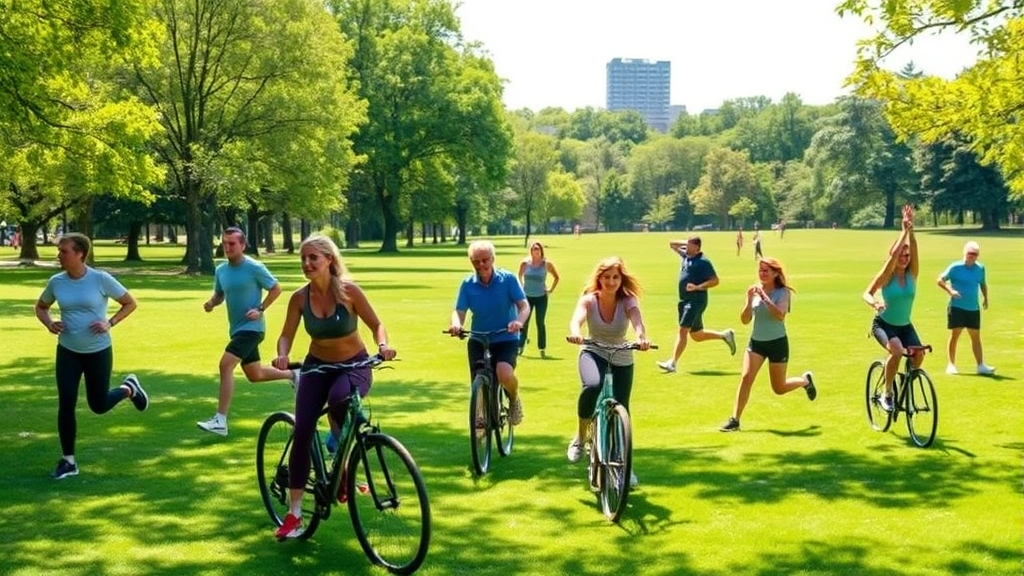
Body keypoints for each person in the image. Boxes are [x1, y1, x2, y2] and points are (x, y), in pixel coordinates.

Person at [270, 234, 396, 540]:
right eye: (303, 258)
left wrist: (383, 345)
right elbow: (286, 334)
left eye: (313, 257)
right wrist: (283, 354)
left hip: (355, 364)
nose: (307, 264)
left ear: (329, 259)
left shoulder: (349, 291)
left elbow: (376, 323)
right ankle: (295, 513)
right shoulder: (300, 298)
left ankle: (337, 452)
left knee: (341, 400)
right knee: (302, 432)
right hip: (317, 367)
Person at [34, 233, 149, 479]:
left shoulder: (100, 279)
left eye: (64, 251)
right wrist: (49, 323)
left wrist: (110, 322)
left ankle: (129, 389)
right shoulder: (57, 282)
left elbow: (129, 303)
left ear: (80, 254)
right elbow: (41, 307)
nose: (59, 256)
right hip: (67, 351)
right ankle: (68, 461)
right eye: (59, 251)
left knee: (98, 405)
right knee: (66, 403)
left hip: (98, 351)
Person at [198, 227, 295, 436]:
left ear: (242, 245)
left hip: (252, 329)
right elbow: (219, 294)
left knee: (225, 365)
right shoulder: (221, 270)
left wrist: (260, 309)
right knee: (255, 374)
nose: (227, 247)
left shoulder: (254, 267)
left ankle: (220, 420)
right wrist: (211, 303)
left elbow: (276, 288)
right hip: (236, 330)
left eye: (232, 244)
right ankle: (294, 375)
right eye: (224, 243)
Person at [566, 256, 650, 487]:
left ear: (621, 279)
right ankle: (581, 437)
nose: (611, 282)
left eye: (616, 277)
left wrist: (641, 337)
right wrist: (575, 332)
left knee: (623, 410)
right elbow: (577, 320)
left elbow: (637, 321)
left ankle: (625, 467)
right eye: (607, 277)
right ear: (599, 279)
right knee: (592, 386)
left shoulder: (628, 300)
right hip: (594, 351)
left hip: (622, 353)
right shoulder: (589, 300)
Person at [719, 257, 816, 432]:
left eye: (766, 271)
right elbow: (745, 320)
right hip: (756, 343)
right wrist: (749, 300)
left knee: (779, 388)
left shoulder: (783, 292)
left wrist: (764, 297)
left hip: (777, 342)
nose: (762, 274)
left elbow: (779, 315)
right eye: (760, 270)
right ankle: (735, 420)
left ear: (775, 273)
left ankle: (804, 381)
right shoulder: (754, 291)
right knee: (746, 377)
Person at [448, 240, 530, 426]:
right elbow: (459, 311)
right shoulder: (468, 284)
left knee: (504, 373)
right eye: (476, 261)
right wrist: (456, 324)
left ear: (493, 259)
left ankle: (514, 398)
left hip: (505, 336)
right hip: (478, 337)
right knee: (479, 377)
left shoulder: (508, 279)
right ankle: (480, 415)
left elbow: (524, 306)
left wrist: (518, 321)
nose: (481, 265)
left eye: (485, 260)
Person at [862, 205, 923, 411]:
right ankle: (886, 394)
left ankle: (903, 384)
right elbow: (867, 293)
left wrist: (910, 230)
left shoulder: (912, 274)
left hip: (905, 325)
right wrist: (875, 303)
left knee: (919, 355)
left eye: (907, 256)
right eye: (901, 255)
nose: (905, 258)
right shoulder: (887, 275)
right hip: (884, 324)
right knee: (896, 350)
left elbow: (913, 249)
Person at [656, 236, 736, 373]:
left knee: (683, 331)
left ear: (697, 247)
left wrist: (698, 287)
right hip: (684, 301)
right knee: (697, 335)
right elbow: (672, 244)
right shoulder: (686, 256)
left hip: (695, 301)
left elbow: (715, 280)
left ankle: (672, 363)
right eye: (686, 245)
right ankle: (724, 335)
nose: (686, 247)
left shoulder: (703, 262)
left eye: (690, 245)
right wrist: (686, 244)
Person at [937, 240, 995, 375]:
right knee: (955, 335)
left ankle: (980, 365)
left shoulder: (980, 268)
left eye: (975, 254)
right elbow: (940, 280)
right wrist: (950, 291)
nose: (972, 256)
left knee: (975, 336)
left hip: (973, 308)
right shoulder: (955, 267)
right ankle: (951, 364)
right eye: (970, 254)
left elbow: (982, 284)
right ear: (964, 253)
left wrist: (985, 298)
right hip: (957, 307)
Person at [517, 241, 560, 358]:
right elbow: (519, 275)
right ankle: (520, 346)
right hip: (527, 297)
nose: (535, 251)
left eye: (537, 249)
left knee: (540, 323)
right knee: (524, 322)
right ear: (530, 251)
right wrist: (521, 288)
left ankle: (542, 348)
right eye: (533, 249)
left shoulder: (546, 264)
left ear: (541, 250)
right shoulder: (525, 263)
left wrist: (550, 289)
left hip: (541, 297)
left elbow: (556, 277)